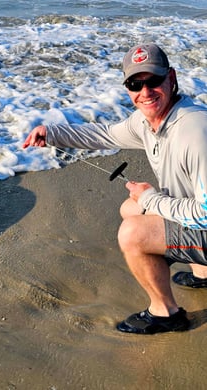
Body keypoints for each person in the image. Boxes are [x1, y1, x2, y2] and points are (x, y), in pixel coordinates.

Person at [23, 43, 207, 334]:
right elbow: (105, 135)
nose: (145, 92)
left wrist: (151, 198)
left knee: (133, 234)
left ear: (171, 79)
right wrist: (53, 134)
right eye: (135, 83)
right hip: (198, 219)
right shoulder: (148, 121)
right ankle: (203, 272)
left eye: (154, 81)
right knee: (130, 209)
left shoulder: (195, 130)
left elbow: (206, 215)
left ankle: (166, 313)